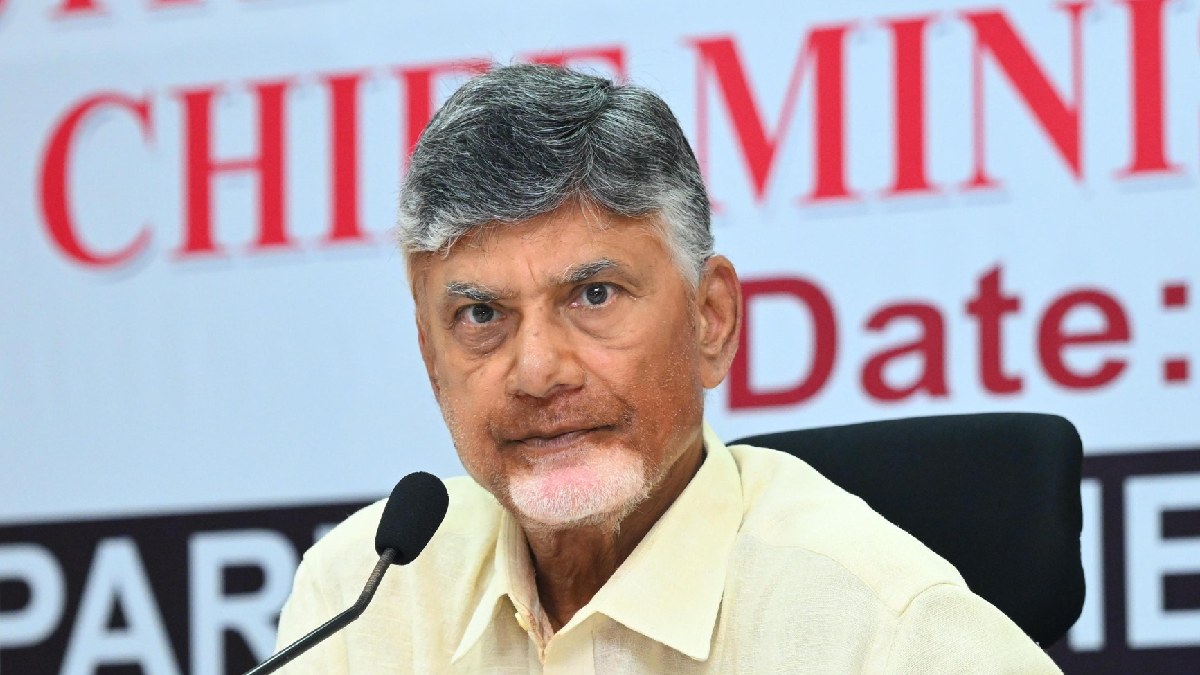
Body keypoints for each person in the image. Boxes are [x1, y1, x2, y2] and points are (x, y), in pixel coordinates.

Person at [275, 64, 1061, 673]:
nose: (538, 370)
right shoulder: (361, 596)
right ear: (429, 356)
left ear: (711, 319)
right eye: (482, 315)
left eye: (594, 295)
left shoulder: (883, 629)